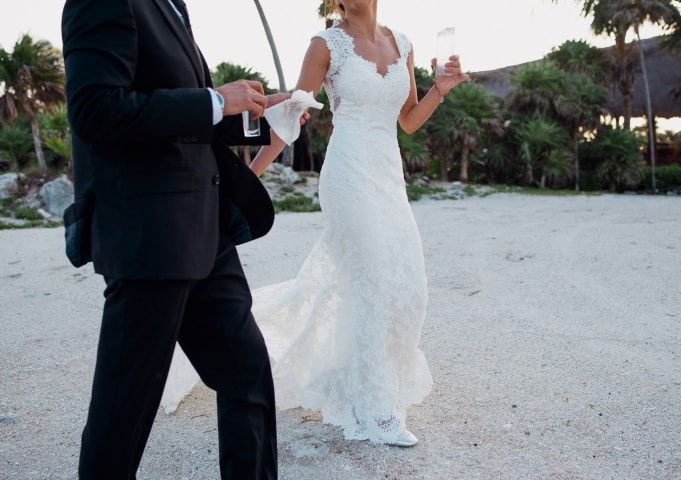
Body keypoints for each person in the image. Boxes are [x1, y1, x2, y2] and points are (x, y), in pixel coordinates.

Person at [165, 0, 469, 447]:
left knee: (408, 282)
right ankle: (375, 408)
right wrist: (244, 181)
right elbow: (291, 115)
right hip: (347, 175)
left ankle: (364, 378)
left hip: (387, 175)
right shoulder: (325, 45)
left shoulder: (402, 44)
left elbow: (407, 121)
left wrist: (439, 89)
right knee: (374, 281)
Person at [60, 0, 303, 477]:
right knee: (123, 412)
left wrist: (258, 113)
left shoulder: (171, 6)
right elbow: (95, 110)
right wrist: (214, 101)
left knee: (247, 373)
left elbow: (182, 117)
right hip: (150, 238)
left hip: (205, 233)